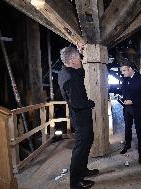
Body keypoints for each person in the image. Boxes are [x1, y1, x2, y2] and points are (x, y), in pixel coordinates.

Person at [58, 46, 99, 189]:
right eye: (78, 57)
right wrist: (91, 103)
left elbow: (80, 74)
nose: (81, 59)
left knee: (88, 141)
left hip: (80, 117)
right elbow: (77, 103)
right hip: (80, 117)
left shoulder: (65, 71)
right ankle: (75, 182)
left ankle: (83, 170)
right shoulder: (70, 79)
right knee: (80, 149)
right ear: (72, 60)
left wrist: (79, 53)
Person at [120, 63, 141, 164]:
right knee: (127, 127)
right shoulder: (125, 78)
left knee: (139, 130)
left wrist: (132, 101)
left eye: (124, 71)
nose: (122, 73)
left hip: (138, 108)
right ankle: (127, 145)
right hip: (127, 108)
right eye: (122, 71)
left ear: (130, 69)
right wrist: (124, 100)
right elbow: (124, 91)